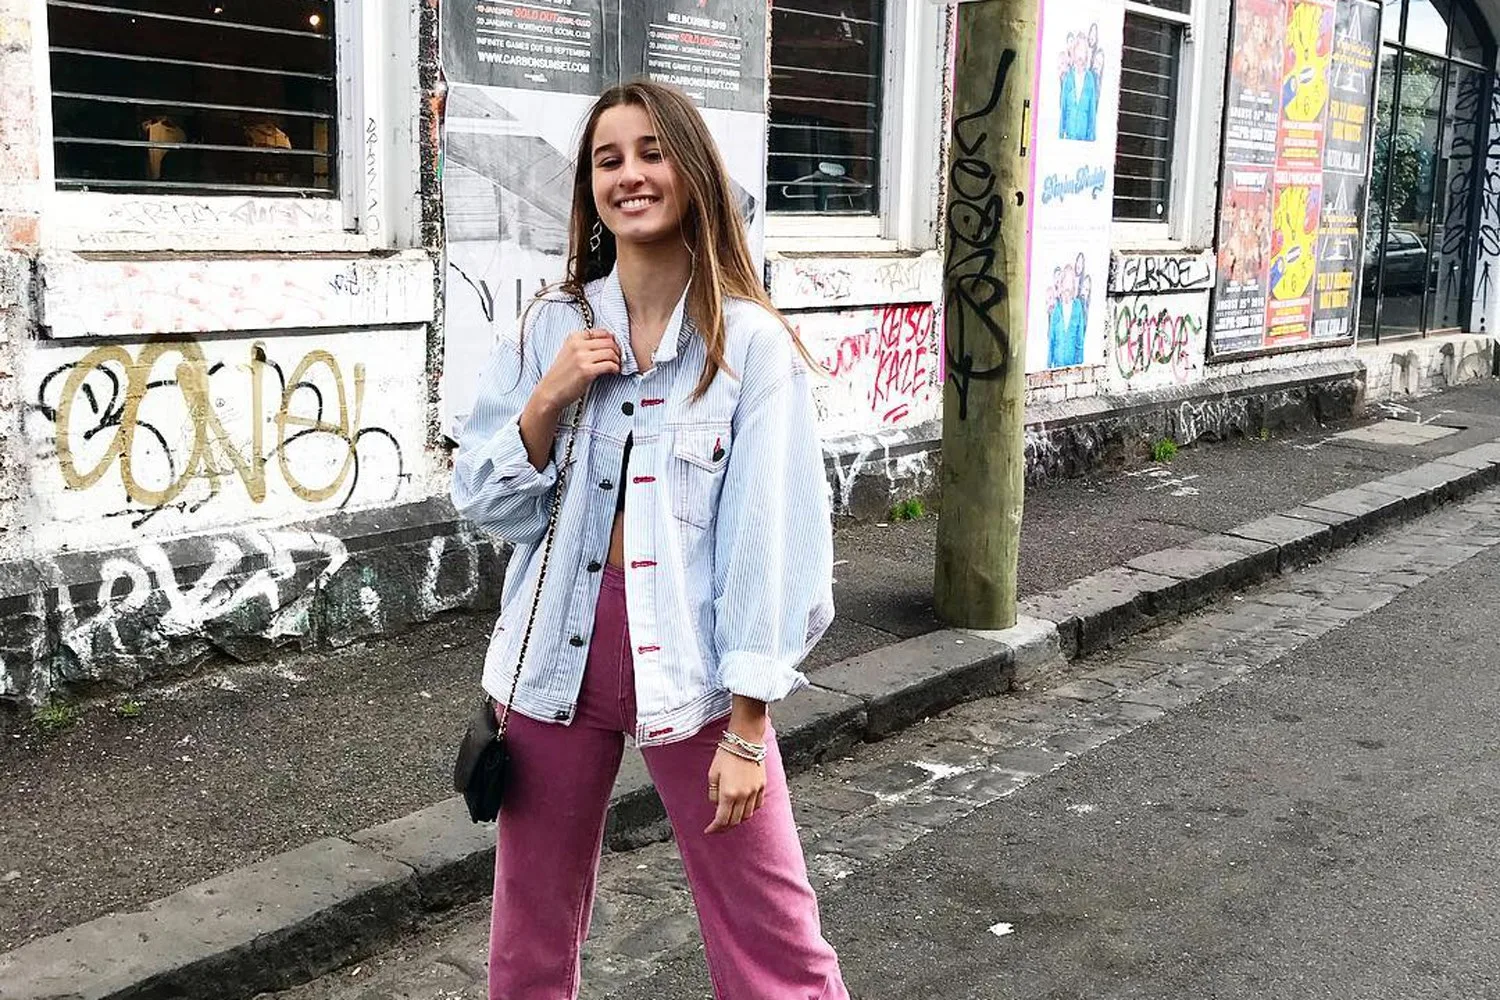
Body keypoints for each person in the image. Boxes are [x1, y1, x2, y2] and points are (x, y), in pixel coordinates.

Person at [452, 79, 848, 1000]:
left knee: (769, 936)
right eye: (607, 159)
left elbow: (774, 538)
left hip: (698, 661)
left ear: (692, 171)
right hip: (559, 652)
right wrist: (548, 398)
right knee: (527, 939)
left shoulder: (746, 345)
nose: (629, 175)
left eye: (650, 152)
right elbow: (488, 504)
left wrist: (750, 726)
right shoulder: (553, 326)